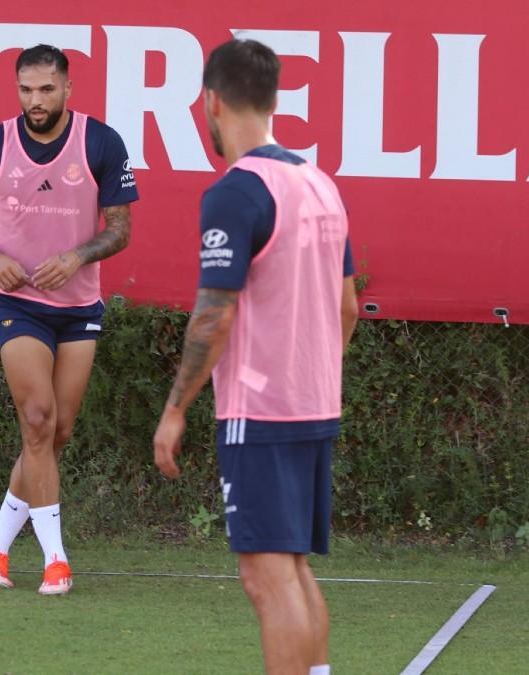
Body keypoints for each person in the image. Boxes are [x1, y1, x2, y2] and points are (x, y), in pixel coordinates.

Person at [152, 39, 359, 674]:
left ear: (210, 103)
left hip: (260, 411)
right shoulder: (320, 184)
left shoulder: (235, 193)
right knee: (290, 567)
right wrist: (310, 366)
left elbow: (214, 314)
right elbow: (348, 306)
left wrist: (175, 409)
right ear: (271, 102)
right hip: (313, 402)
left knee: (267, 578)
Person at [0, 44, 137, 595]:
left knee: (57, 433)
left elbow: (121, 229)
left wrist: (78, 257)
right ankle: (56, 559)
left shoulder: (101, 142)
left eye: (47, 89)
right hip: (17, 303)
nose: (36, 100)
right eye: (27, 89)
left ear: (68, 89)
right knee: (36, 419)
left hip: (79, 306)